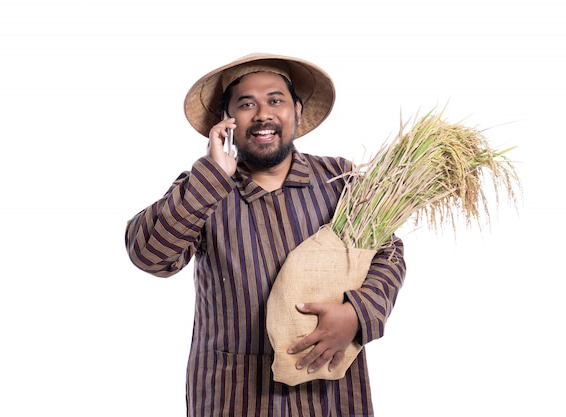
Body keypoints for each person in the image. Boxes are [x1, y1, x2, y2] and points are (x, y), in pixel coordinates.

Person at [125, 53, 406, 417]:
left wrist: (357, 313)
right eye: (246, 104)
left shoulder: (341, 179)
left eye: (275, 100)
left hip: (331, 396)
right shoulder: (203, 188)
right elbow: (150, 255)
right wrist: (212, 174)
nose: (262, 114)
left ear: (297, 110)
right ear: (225, 122)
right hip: (236, 396)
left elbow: (388, 251)